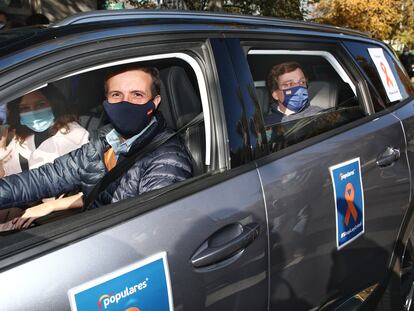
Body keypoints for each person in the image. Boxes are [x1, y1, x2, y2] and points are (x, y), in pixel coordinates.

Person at [0, 65, 193, 229]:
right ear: (106, 101)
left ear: (155, 102)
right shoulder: (103, 142)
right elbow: (47, 177)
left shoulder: (166, 160)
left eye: (137, 94)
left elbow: (153, 228)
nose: (125, 102)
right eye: (116, 94)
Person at [0, 85, 89, 177]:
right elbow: (5, 179)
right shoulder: (19, 138)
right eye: (25, 108)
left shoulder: (75, 135)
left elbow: (84, 178)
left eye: (40, 105)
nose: (33, 112)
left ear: (54, 105)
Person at [264, 62, 322, 126]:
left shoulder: (319, 113)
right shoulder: (268, 125)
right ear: (275, 94)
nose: (298, 88)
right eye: (289, 84)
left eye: (302, 82)